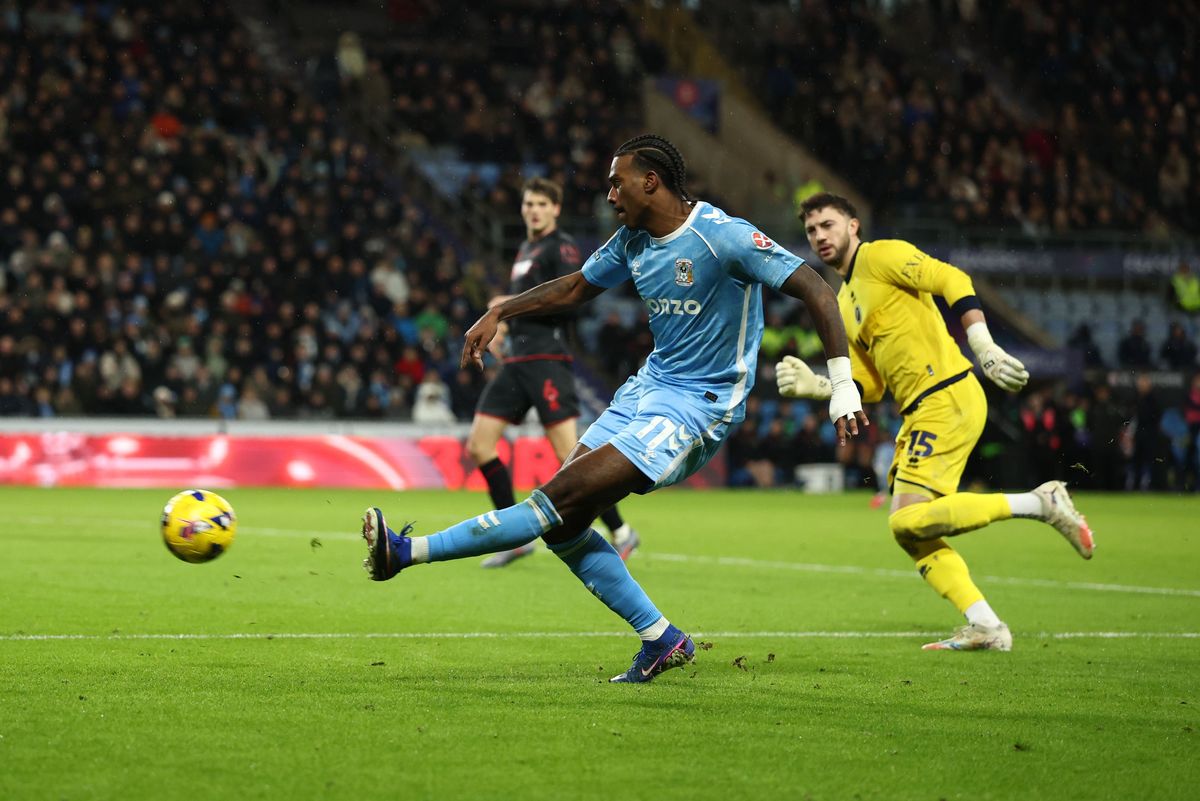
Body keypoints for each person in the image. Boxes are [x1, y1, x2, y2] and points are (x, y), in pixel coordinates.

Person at [359, 135, 866, 683]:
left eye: (616, 181)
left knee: (555, 501)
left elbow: (817, 290)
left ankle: (405, 553)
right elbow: (577, 288)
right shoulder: (631, 240)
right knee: (564, 525)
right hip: (645, 393)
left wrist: (841, 384)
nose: (609, 194)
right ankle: (661, 638)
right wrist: (503, 310)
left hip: (700, 407)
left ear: (651, 181)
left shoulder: (723, 236)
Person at [776, 192, 1094, 653]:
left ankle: (1041, 502)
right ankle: (985, 624)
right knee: (909, 529)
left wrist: (981, 342)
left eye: (828, 224)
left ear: (853, 225)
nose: (820, 235)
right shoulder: (844, 303)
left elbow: (951, 277)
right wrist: (818, 385)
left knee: (907, 519)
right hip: (920, 408)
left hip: (946, 394)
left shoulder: (881, 256)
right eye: (811, 230)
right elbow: (872, 385)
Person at [465, 177, 639, 568]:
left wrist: (507, 304)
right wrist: (505, 323)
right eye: (529, 204)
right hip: (516, 363)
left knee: (570, 455)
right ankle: (513, 538)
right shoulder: (526, 249)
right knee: (479, 444)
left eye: (542, 204)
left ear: (555, 209)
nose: (534, 210)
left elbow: (566, 302)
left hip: (546, 361)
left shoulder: (560, 247)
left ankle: (623, 532)